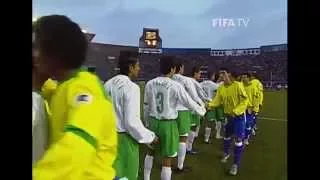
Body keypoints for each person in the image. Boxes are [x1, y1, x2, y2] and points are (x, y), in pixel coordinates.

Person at [32, 15, 117, 179]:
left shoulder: (84, 88)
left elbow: (79, 143)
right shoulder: (64, 85)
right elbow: (48, 91)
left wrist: (40, 175)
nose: (34, 55)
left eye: (37, 47)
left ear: (54, 54)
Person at [143, 56, 206, 180]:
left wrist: (147, 123)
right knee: (167, 159)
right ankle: (179, 166)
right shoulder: (175, 85)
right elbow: (189, 102)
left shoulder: (150, 83)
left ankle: (146, 178)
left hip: (153, 121)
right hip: (168, 124)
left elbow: (146, 105)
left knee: (150, 152)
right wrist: (202, 110)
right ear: (172, 69)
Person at [104, 51, 158, 180]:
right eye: (137, 65)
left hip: (108, 138)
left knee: (112, 174)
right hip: (125, 140)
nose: (139, 69)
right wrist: (150, 137)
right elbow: (131, 123)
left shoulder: (107, 84)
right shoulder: (132, 87)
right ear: (130, 67)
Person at [208, 68, 249, 176]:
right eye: (221, 74)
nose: (222, 76)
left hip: (238, 117)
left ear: (230, 76)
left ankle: (235, 164)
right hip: (228, 117)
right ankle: (226, 154)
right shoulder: (221, 87)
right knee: (226, 136)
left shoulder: (238, 85)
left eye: (225, 74)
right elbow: (217, 100)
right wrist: (209, 105)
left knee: (238, 140)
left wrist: (236, 111)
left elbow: (245, 100)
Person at [172, 62, 205, 155]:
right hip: (187, 109)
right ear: (180, 68)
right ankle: (188, 149)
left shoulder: (170, 78)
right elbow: (195, 96)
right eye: (199, 73)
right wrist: (202, 106)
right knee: (187, 132)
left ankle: (178, 150)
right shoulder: (187, 80)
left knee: (177, 133)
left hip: (172, 110)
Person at [190, 66, 211, 139]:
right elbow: (202, 97)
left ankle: (188, 147)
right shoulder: (195, 83)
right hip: (194, 108)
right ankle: (189, 148)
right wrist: (207, 103)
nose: (200, 76)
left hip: (187, 108)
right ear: (195, 73)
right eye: (199, 74)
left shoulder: (187, 81)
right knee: (192, 127)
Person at [200, 72, 220, 143]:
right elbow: (220, 88)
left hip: (202, 104)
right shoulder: (213, 85)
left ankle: (195, 134)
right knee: (209, 122)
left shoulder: (202, 83)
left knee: (200, 120)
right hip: (210, 104)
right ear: (212, 76)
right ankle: (206, 139)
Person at [241, 73, 260, 145]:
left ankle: (246, 138)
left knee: (248, 125)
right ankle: (241, 137)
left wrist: (254, 108)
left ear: (248, 78)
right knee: (242, 125)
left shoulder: (253, 87)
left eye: (244, 77)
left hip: (250, 109)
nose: (243, 79)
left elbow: (256, 98)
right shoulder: (240, 86)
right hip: (241, 109)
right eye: (242, 77)